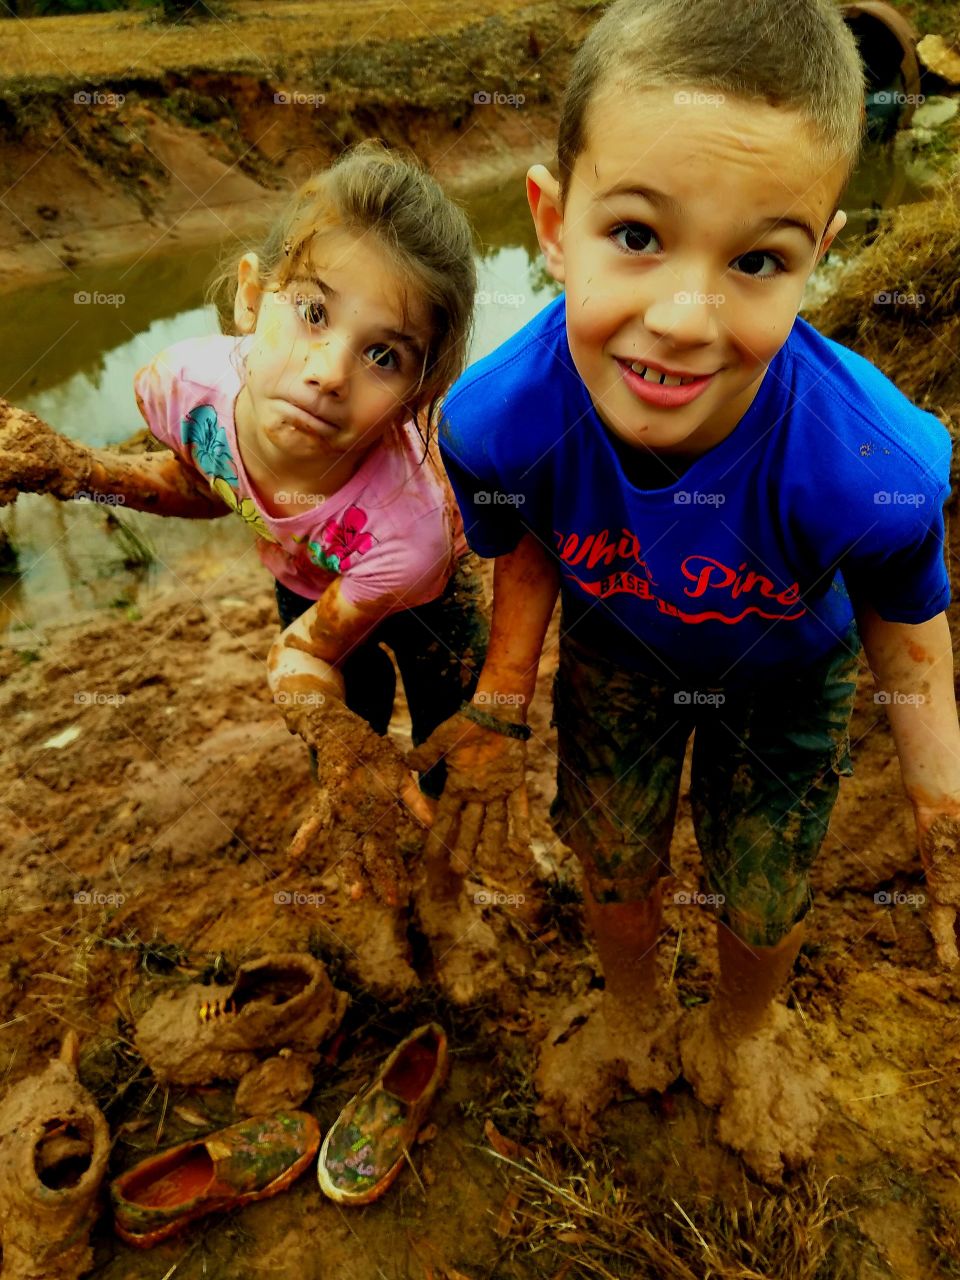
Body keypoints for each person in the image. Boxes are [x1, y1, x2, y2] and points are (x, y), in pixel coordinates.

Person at [415, 0, 960, 1179]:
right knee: (612, 858)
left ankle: (747, 1030)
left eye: (758, 259)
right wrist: (505, 695)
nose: (683, 317)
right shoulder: (498, 423)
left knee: (767, 884)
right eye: (639, 237)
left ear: (822, 252)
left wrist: (942, 815)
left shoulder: (874, 466)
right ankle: (625, 1007)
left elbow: (910, 642)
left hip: (787, 681)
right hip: (620, 659)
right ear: (554, 223)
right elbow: (530, 543)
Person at [0, 141, 488, 920]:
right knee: (345, 726)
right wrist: (75, 467)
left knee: (443, 735)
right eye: (315, 311)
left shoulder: (411, 531)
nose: (330, 371)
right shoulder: (178, 391)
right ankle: (361, 819)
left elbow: (304, 652)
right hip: (306, 579)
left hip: (427, 599)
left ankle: (442, 864)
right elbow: (209, 487)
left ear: (413, 398)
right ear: (252, 299)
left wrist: (336, 723)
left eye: (384, 355)